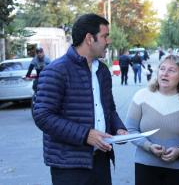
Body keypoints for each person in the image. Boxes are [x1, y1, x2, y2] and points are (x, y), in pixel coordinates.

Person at [33, 13, 128, 185]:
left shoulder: (103, 71)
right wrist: (85, 135)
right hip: (69, 165)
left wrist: (118, 128)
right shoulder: (56, 71)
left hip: (101, 159)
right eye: (105, 36)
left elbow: (109, 109)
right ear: (89, 39)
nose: (108, 41)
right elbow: (43, 116)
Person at [125, 54, 179, 185]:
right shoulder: (141, 96)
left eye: (171, 70)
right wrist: (148, 146)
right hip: (145, 165)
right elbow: (130, 129)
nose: (165, 73)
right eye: (162, 69)